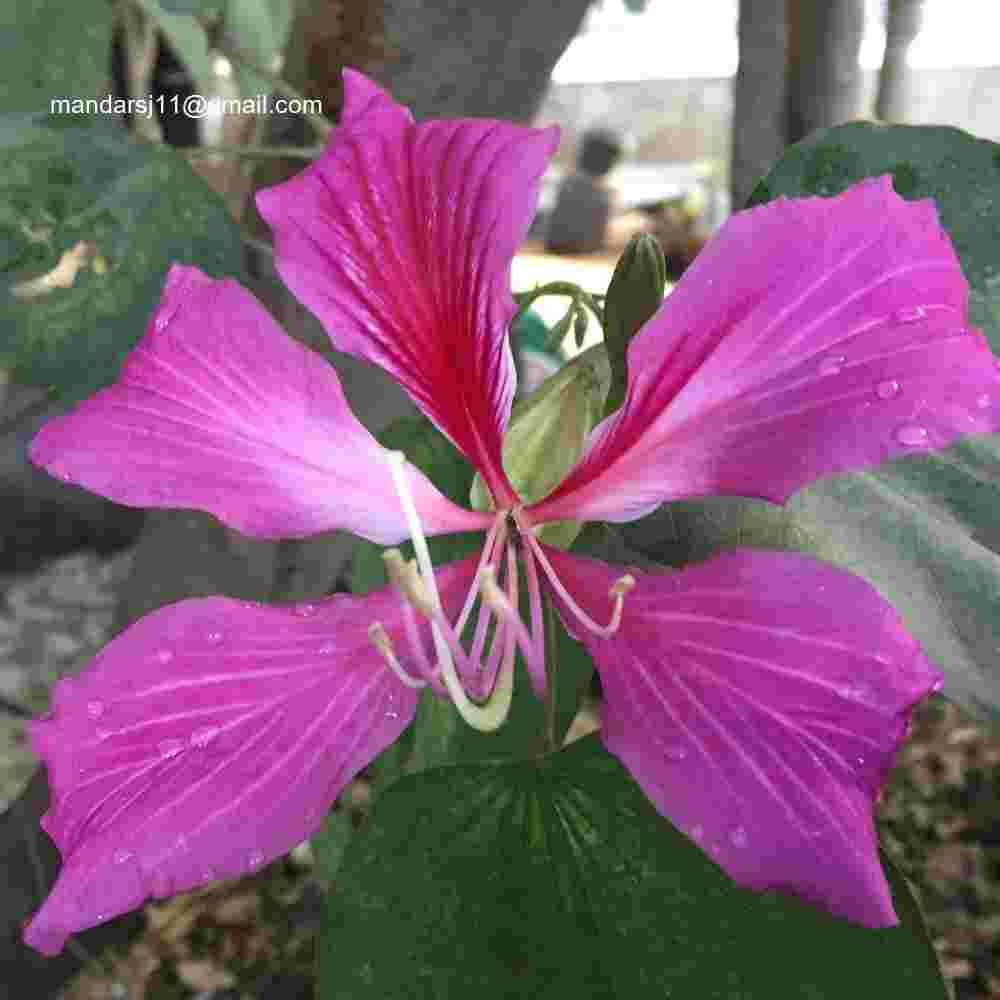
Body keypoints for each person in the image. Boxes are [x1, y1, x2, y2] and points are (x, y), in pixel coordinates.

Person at [544, 128, 624, 255]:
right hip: (585, 254)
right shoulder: (605, 195)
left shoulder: (565, 184)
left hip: (555, 249)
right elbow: (603, 238)